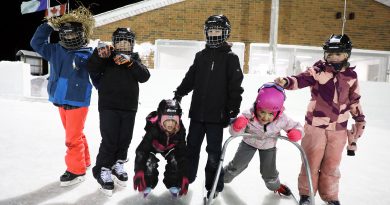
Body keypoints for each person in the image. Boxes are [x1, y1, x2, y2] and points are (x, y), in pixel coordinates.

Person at [274, 34, 366, 205]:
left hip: (339, 128)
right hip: (315, 125)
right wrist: (286, 81)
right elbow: (301, 79)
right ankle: (306, 195)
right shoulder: (318, 70)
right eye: (329, 54)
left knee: (331, 165)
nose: (333, 57)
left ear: (347, 54)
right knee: (311, 161)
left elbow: (355, 99)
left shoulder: (351, 76)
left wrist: (359, 119)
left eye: (337, 54)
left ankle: (330, 196)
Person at [173, 14, 244, 198]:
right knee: (191, 148)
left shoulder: (231, 58)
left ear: (225, 33)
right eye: (211, 30)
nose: (214, 34)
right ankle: (185, 179)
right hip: (197, 114)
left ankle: (213, 186)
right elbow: (191, 78)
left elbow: (235, 87)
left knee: (213, 153)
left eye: (218, 31)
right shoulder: (201, 56)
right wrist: (180, 92)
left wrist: (232, 110)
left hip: (216, 117)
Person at [30, 6, 95, 187]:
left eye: (73, 34)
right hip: (60, 100)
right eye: (66, 34)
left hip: (78, 101)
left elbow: (99, 74)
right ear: (62, 35)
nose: (70, 37)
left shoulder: (88, 54)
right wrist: (49, 25)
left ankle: (76, 171)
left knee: (72, 139)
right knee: (76, 134)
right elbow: (36, 43)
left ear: (81, 34)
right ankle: (85, 161)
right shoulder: (55, 50)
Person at [87, 27, 150, 195]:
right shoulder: (107, 57)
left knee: (124, 139)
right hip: (108, 106)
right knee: (110, 139)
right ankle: (103, 169)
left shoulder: (134, 60)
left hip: (129, 108)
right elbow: (91, 67)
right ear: (114, 43)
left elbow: (144, 77)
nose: (122, 45)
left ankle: (117, 164)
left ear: (132, 45)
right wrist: (98, 55)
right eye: (119, 42)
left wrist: (131, 62)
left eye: (126, 42)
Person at [223, 83, 303, 197]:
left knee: (268, 171)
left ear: (278, 112)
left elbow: (297, 126)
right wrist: (237, 126)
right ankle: (221, 179)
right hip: (248, 143)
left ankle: (275, 186)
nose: (265, 117)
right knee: (238, 164)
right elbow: (234, 134)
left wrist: (296, 132)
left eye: (271, 114)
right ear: (257, 107)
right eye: (262, 112)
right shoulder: (248, 114)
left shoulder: (282, 119)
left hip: (268, 146)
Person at [133, 99, 189, 198]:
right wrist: (139, 170)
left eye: (173, 120)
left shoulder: (180, 131)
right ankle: (147, 184)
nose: (170, 124)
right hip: (153, 147)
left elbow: (182, 153)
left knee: (175, 161)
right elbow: (142, 150)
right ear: (160, 119)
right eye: (167, 120)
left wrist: (184, 174)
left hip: (169, 148)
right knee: (149, 162)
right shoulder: (154, 129)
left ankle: (174, 184)